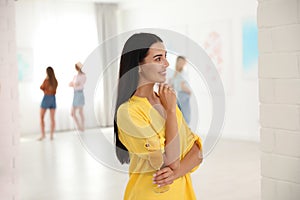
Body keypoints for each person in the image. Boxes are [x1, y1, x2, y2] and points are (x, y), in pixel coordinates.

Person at [114, 33, 203, 200]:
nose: (167, 64)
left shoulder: (166, 100)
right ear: (138, 66)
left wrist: (175, 174)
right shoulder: (128, 112)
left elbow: (197, 153)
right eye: (158, 58)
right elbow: (170, 161)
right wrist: (170, 112)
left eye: (165, 57)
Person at [168, 56, 191, 124]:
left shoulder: (184, 72)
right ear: (177, 62)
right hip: (178, 94)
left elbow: (181, 84)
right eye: (180, 62)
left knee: (185, 113)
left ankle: (186, 130)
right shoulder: (175, 72)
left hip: (183, 94)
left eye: (183, 62)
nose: (181, 64)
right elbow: (172, 84)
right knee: (178, 113)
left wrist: (188, 91)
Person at [39, 66, 58, 140]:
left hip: (46, 98)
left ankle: (43, 135)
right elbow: (54, 90)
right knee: (52, 118)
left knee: (41, 117)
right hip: (53, 99)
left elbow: (41, 87)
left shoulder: (46, 80)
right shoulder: (55, 81)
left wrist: (45, 89)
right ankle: (51, 135)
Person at [69, 62, 86, 132]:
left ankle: (82, 127)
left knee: (80, 112)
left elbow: (76, 84)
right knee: (73, 113)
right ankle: (79, 127)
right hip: (75, 94)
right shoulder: (75, 76)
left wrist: (74, 84)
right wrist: (74, 84)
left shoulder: (83, 76)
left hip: (79, 94)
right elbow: (72, 84)